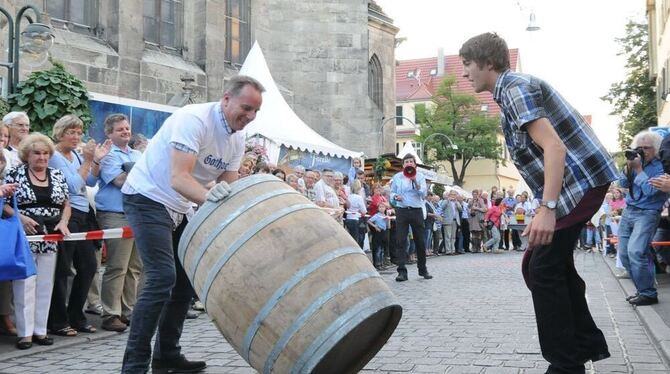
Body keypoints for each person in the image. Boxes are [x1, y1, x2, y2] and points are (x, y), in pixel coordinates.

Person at [460, 33, 619, 373]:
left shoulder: (515, 89)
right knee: (545, 264)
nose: (465, 73)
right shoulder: (509, 92)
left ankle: (566, 364)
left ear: (488, 63)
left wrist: (546, 209)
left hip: (582, 182)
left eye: (467, 64)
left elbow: (555, 148)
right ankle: (580, 347)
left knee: (542, 268)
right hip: (576, 185)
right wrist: (543, 207)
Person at [120, 75, 264, 373]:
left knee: (185, 282)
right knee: (161, 278)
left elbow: (227, 187)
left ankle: (166, 355)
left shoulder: (237, 140)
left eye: (255, 112)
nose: (249, 117)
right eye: (246, 108)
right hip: (147, 196)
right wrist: (212, 197)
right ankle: (134, 365)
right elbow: (179, 178)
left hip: (180, 204)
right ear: (226, 99)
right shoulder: (194, 119)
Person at [3, 133, 71, 349]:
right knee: (25, 284)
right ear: (27, 155)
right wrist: (20, 217)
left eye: (45, 153)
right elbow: (3, 203)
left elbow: (66, 204)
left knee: (45, 284)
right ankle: (25, 334)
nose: (42, 157)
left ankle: (40, 330)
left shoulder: (57, 174)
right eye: (36, 153)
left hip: (50, 234)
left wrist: (64, 222)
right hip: (24, 236)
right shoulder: (15, 174)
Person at [47, 115, 110, 338]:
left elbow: (90, 182)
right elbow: (73, 186)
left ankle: (76, 315)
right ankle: (58, 320)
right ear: (60, 132)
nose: (76, 136)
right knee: (63, 270)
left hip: (83, 215)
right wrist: (87, 161)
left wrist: (96, 161)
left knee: (88, 266)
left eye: (78, 132)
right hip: (67, 216)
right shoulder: (54, 156)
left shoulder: (75, 154)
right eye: (71, 132)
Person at [95, 114, 144, 332]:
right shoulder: (108, 155)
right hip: (115, 214)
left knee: (134, 267)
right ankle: (110, 314)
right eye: (120, 129)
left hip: (136, 214)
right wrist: (138, 173)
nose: (125, 131)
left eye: (127, 128)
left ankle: (129, 311)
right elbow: (119, 181)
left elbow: (144, 178)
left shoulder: (136, 153)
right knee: (117, 266)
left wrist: (133, 170)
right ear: (109, 133)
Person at [617, 130, 666, 306]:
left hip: (648, 213)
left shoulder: (662, 166)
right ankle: (642, 290)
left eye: (647, 148)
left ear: (656, 148)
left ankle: (648, 293)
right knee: (624, 254)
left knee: (636, 251)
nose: (642, 151)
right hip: (629, 211)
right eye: (639, 148)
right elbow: (622, 185)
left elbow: (651, 192)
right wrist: (629, 168)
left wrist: (638, 170)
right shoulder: (636, 163)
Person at [390, 154, 432, 281]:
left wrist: (415, 181)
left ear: (414, 164)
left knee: (420, 241)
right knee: (401, 241)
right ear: (403, 165)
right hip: (402, 210)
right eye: (406, 161)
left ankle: (423, 269)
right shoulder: (397, 177)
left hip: (416, 210)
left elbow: (423, 194)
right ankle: (402, 271)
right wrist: (395, 197)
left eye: (411, 161)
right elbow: (392, 192)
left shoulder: (420, 176)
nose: (408, 163)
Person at [368, 202, 390, 269]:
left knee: (383, 249)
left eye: (383, 207)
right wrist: (375, 226)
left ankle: (382, 263)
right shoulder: (376, 215)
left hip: (384, 232)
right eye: (380, 207)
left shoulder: (385, 216)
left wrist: (388, 220)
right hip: (378, 233)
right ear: (378, 208)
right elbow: (369, 221)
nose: (381, 208)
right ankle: (377, 264)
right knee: (378, 249)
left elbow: (388, 226)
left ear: (385, 208)